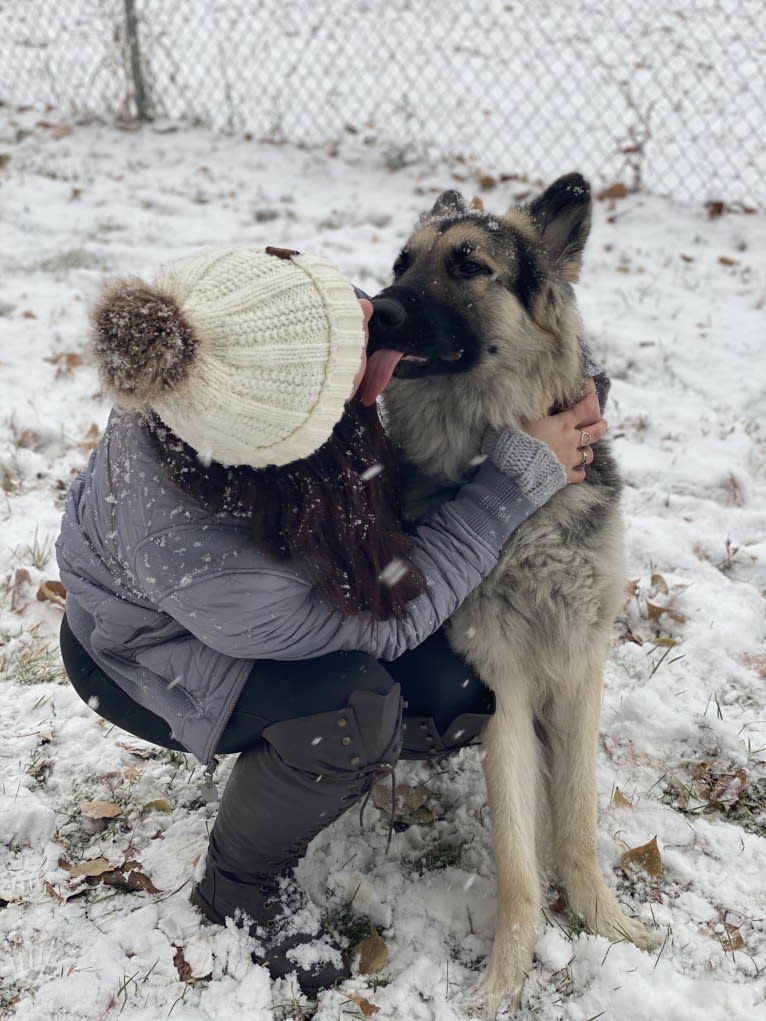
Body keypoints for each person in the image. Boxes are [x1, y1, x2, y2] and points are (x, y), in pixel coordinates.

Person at [56, 245, 609, 992]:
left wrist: (543, 404)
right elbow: (389, 623)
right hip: (143, 657)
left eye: (340, 304)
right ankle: (238, 885)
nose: (370, 314)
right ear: (291, 428)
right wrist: (513, 480)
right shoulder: (227, 571)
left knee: (449, 681)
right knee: (363, 710)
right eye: (346, 344)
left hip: (219, 601)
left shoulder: (244, 348)